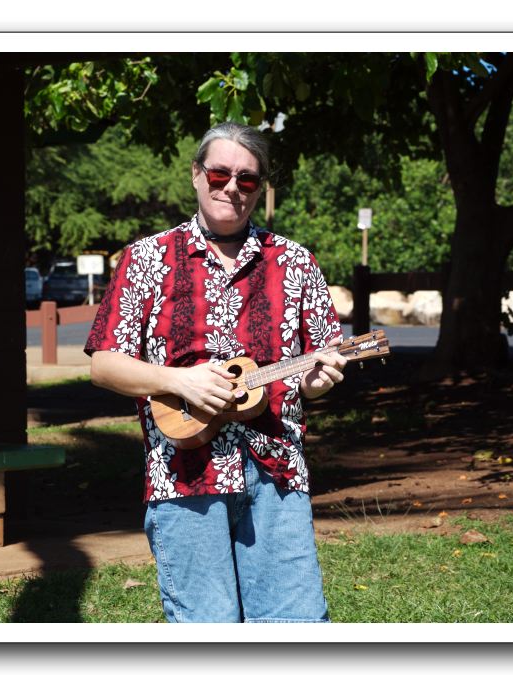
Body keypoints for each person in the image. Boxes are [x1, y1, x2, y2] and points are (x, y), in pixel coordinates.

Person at [85, 121, 348, 623]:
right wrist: (178, 381)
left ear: (260, 187)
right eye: (220, 173)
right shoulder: (146, 258)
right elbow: (103, 364)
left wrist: (318, 382)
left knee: (296, 625)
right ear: (196, 175)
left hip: (277, 475)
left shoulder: (296, 262)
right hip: (182, 478)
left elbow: (317, 367)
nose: (232, 187)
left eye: (247, 179)